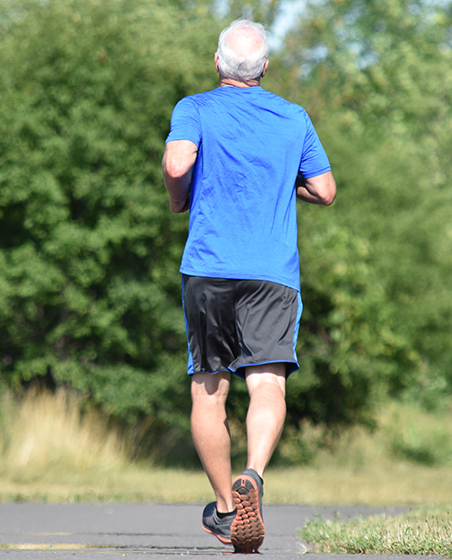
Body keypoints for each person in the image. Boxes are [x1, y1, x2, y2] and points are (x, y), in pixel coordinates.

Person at [161, 19, 336, 553]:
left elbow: (177, 161)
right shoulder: (293, 117)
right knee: (268, 384)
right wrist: (288, 187)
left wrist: (177, 198)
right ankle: (254, 475)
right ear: (264, 68)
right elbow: (326, 191)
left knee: (208, 388)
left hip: (210, 268)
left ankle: (225, 507)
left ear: (217, 63)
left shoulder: (195, 107)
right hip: (271, 272)